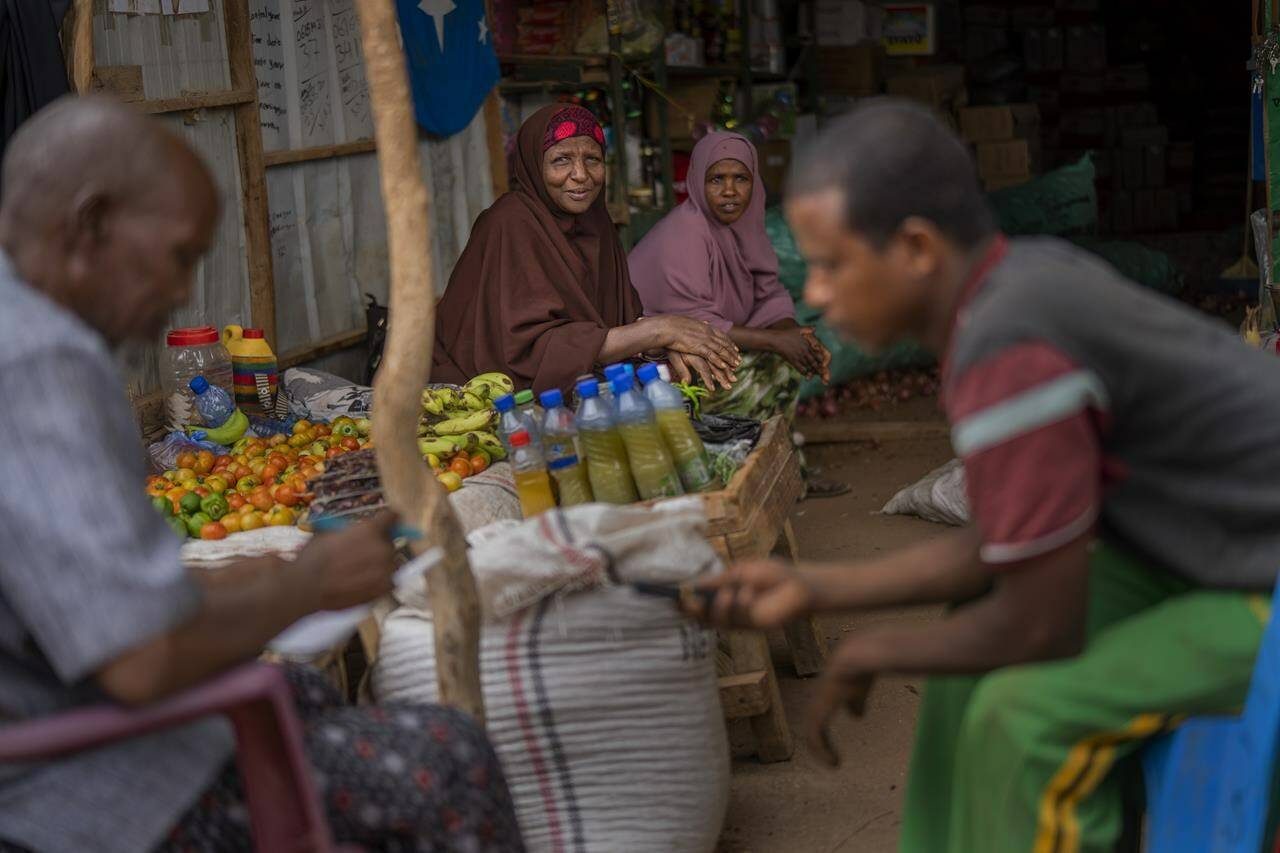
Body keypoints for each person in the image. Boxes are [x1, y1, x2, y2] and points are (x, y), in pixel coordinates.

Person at [693, 99, 1280, 853]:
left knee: (1024, 718)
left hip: (1257, 577)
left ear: (914, 248)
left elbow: (1044, 618)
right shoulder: (1009, 286)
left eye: (835, 263)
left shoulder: (1008, 342)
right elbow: (1010, 539)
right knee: (965, 674)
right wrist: (818, 590)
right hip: (1207, 550)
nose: (818, 294)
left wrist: (876, 648)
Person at [0, 97, 523, 853]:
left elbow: (83, 589)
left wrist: (271, 569)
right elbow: (141, 660)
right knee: (445, 760)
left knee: (305, 689)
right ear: (90, 224)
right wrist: (307, 585)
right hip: (68, 788)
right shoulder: (43, 361)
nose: (182, 293)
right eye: (180, 256)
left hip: (56, 719)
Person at [433, 103, 740, 395]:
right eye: (561, 160)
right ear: (533, 167)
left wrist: (666, 340)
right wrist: (658, 330)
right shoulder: (509, 223)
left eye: (592, 159)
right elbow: (525, 353)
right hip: (489, 390)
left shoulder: (596, 223)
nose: (581, 174)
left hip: (578, 381)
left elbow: (614, 325)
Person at [629, 131, 829, 422]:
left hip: (705, 343)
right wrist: (777, 341)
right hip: (656, 363)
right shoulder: (686, 232)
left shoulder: (744, 227)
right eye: (716, 179)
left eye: (741, 178)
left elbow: (767, 294)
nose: (730, 191)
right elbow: (694, 325)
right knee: (745, 379)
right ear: (698, 182)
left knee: (782, 363)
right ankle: (740, 455)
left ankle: (770, 455)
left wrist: (794, 336)